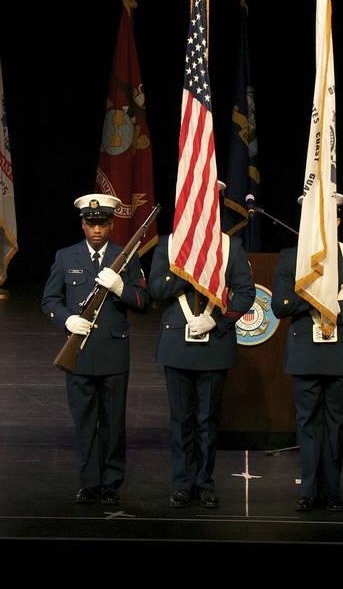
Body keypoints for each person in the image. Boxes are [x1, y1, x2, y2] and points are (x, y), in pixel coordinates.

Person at [149, 186, 256, 509]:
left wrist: (219, 322)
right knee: (181, 419)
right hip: (177, 342)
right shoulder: (169, 245)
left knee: (207, 420)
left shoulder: (229, 246)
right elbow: (155, 288)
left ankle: (204, 482)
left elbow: (245, 292)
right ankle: (182, 483)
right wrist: (188, 270)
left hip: (214, 342)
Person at [272, 194, 343, 512]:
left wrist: (335, 305)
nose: (321, 225)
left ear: (337, 222)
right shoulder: (291, 258)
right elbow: (280, 305)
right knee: (306, 423)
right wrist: (317, 297)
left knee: (336, 424)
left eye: (327, 219)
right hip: (306, 351)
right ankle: (308, 490)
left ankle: (332, 490)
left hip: (342, 352)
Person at [41, 194, 150, 504]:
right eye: (91, 223)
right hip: (80, 350)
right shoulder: (66, 256)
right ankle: (89, 481)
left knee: (114, 421)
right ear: (83, 224)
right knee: (85, 420)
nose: (97, 230)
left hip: (114, 352)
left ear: (112, 223)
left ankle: (111, 481)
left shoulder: (126, 257)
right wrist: (67, 320)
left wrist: (121, 289)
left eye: (102, 223)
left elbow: (144, 302)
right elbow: (49, 300)